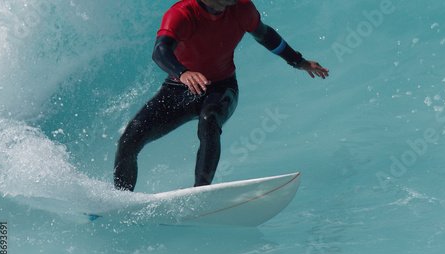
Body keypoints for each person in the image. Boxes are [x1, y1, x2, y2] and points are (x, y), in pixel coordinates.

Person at [114, 0, 329, 191]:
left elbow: (266, 36)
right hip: (178, 87)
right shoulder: (182, 13)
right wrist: (183, 73)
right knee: (129, 140)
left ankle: (201, 194)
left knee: (209, 120)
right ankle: (121, 201)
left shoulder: (241, 9)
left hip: (222, 87)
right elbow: (160, 51)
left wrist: (298, 61)